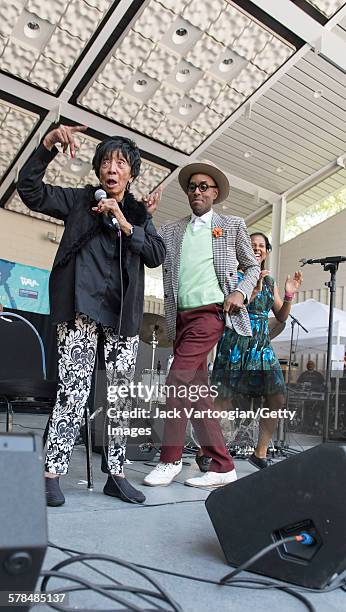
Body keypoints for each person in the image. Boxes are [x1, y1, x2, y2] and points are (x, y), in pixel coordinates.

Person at [17, 123, 165, 506]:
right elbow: (30, 191)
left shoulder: (139, 215)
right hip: (80, 309)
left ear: (131, 173)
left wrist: (126, 220)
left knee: (119, 396)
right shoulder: (77, 201)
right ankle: (51, 471)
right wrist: (48, 144)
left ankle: (115, 474)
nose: (112, 168)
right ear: (98, 170)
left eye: (120, 162)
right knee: (74, 391)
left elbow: (155, 255)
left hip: (123, 319)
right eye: (105, 162)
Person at [143, 161, 260, 488]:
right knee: (197, 394)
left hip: (211, 315)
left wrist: (240, 291)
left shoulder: (232, 224)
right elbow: (149, 248)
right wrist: (145, 216)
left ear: (215, 193)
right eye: (192, 186)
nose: (197, 191)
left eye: (204, 186)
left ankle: (170, 460)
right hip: (179, 318)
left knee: (176, 382)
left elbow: (252, 267)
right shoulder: (171, 229)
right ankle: (223, 465)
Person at [212, 232, 302, 469]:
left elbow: (281, 317)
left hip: (261, 346)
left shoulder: (269, 282)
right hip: (236, 342)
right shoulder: (232, 277)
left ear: (267, 252)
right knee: (223, 399)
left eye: (262, 246)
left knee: (277, 395)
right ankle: (206, 450)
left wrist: (290, 294)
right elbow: (229, 310)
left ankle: (260, 453)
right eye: (252, 245)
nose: (257, 248)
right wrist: (252, 290)